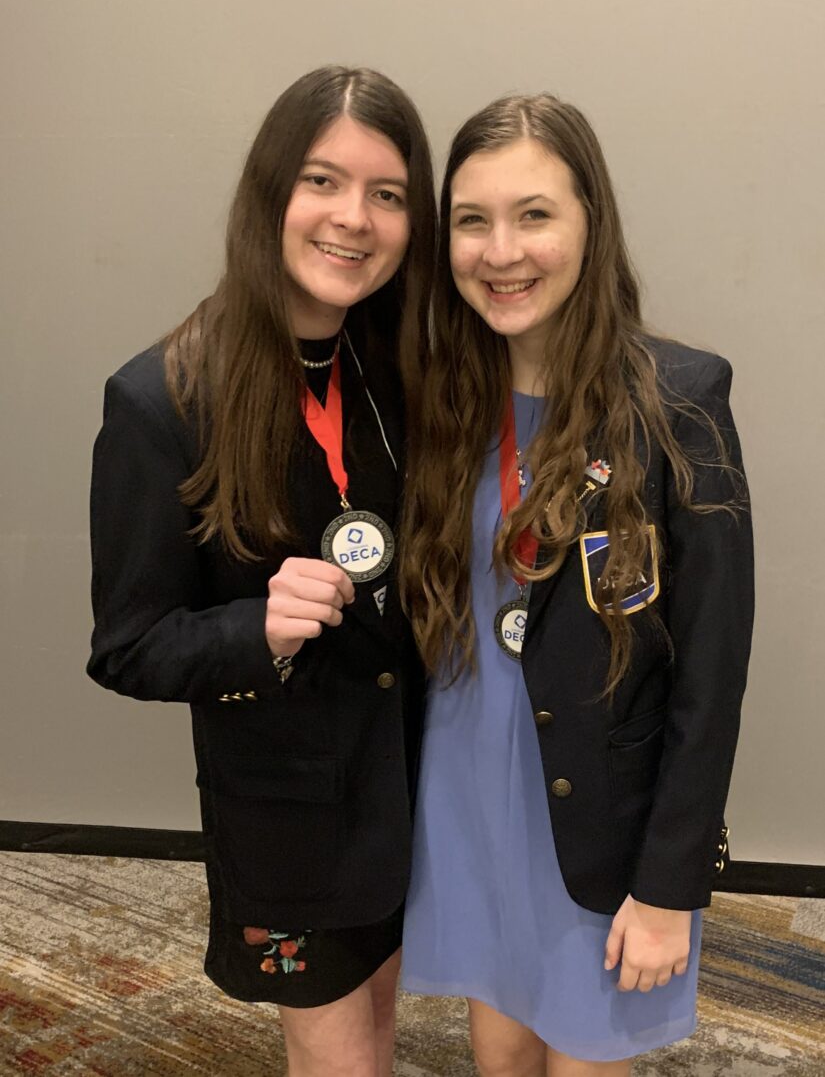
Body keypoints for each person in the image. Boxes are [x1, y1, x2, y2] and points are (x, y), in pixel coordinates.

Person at [87, 65, 436, 1077]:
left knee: (379, 1029)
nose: (353, 219)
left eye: (388, 194)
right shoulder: (161, 399)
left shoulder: (395, 367)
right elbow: (128, 645)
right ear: (269, 192)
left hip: (412, 788)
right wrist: (258, 627)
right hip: (287, 819)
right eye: (323, 181)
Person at [399, 93, 754, 1077]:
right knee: (500, 1051)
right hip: (469, 803)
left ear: (590, 221)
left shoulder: (678, 400)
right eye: (473, 220)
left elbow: (711, 669)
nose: (501, 249)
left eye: (536, 214)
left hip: (601, 827)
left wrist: (670, 883)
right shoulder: (441, 398)